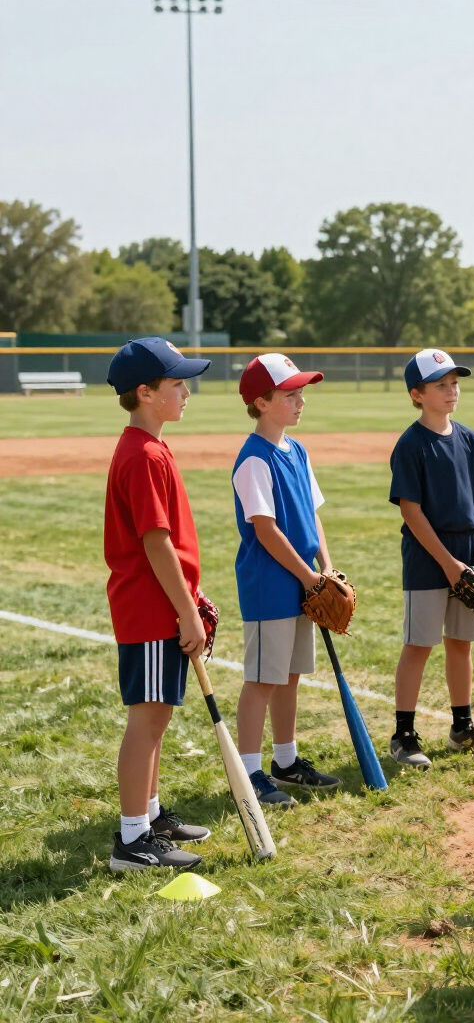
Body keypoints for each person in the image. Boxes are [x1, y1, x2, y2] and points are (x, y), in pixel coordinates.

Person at [104, 337, 214, 871]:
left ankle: (148, 817)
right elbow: (155, 541)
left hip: (162, 605)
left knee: (159, 716)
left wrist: (191, 597)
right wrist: (186, 610)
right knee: (147, 719)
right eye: (177, 383)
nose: (187, 392)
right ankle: (132, 841)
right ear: (145, 392)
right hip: (151, 610)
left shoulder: (152, 447)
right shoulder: (144, 454)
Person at [387, 348, 474, 769]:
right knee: (419, 644)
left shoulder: (469, 438)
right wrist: (447, 564)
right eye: (440, 385)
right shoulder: (411, 444)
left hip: (469, 554)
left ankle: (462, 727)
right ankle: (403, 735)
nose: (451, 390)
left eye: (454, 383)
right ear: (416, 394)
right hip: (427, 557)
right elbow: (411, 511)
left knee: (461, 644)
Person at [232, 353, 343, 807]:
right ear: (261, 402)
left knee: (290, 675)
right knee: (263, 679)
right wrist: (309, 576)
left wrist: (326, 569)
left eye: (302, 393)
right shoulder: (253, 458)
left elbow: (312, 517)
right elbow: (266, 529)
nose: (301, 401)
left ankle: (286, 761)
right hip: (270, 585)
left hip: (304, 581)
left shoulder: (297, 451)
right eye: (290, 394)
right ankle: (249, 772)